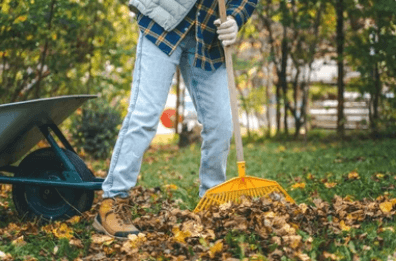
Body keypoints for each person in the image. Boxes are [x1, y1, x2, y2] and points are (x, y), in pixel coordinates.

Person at [93, 0, 258, 239]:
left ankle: (210, 203)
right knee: (145, 115)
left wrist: (234, 18)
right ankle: (113, 201)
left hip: (207, 35)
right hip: (163, 23)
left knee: (222, 123)